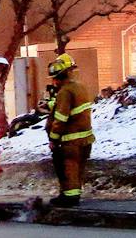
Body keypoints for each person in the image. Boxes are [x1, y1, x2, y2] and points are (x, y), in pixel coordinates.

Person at [46, 54, 94, 208]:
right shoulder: (80, 87)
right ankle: (73, 194)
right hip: (85, 139)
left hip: (70, 141)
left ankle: (69, 198)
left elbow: (60, 119)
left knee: (68, 168)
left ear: (61, 76)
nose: (54, 82)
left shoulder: (65, 92)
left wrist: (53, 139)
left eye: (55, 78)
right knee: (77, 170)